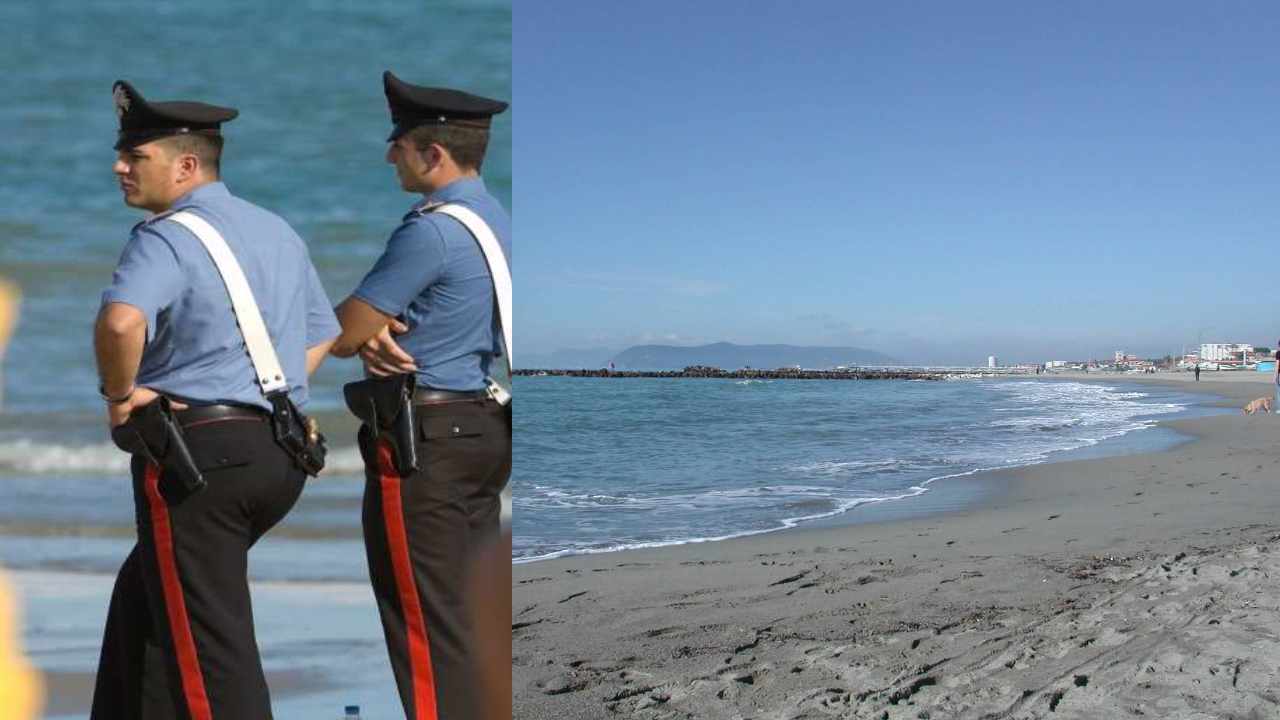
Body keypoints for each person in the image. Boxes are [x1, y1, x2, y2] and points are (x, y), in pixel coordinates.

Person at [91, 80, 339, 719]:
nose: (119, 166)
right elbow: (323, 333)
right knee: (143, 601)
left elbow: (121, 323)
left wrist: (120, 397)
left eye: (135, 156)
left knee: (210, 651)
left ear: (186, 165)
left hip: (198, 464)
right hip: (277, 453)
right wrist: (266, 387)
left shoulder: (165, 235)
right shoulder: (275, 229)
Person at [330, 70, 510, 720]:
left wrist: (364, 331)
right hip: (482, 426)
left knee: (424, 630)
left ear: (432, 153)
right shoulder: (499, 221)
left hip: (423, 443)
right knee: (466, 620)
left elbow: (346, 330)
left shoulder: (430, 230)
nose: (388, 155)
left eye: (398, 143)